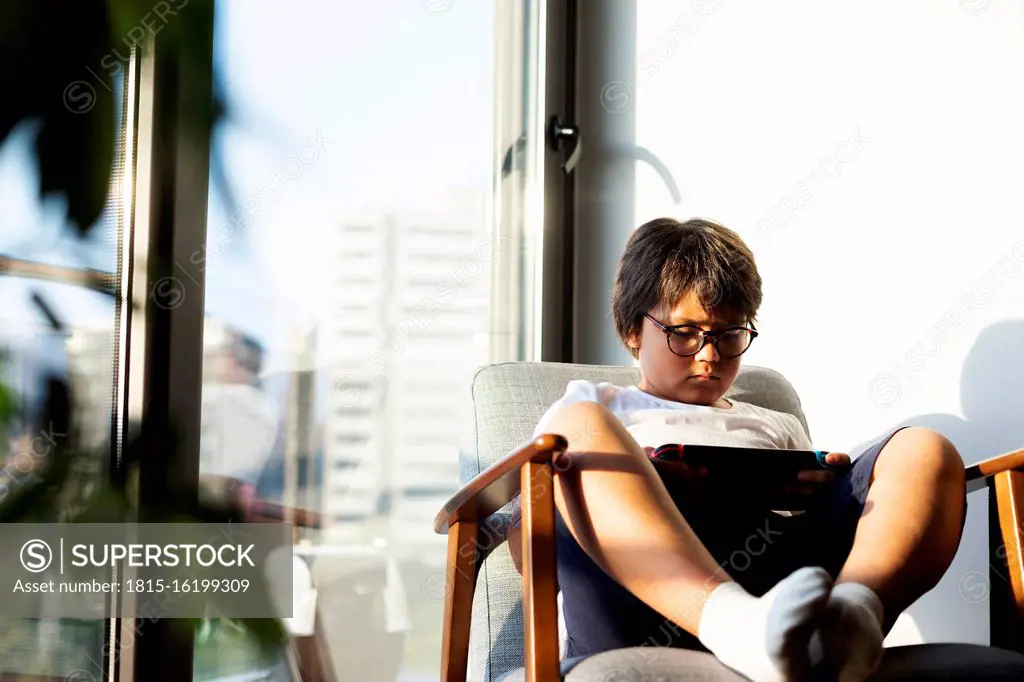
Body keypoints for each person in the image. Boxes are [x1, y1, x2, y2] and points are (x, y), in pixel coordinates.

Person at [507, 218, 966, 682]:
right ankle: (737, 626)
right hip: (638, 610)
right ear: (632, 330)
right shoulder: (592, 404)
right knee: (579, 430)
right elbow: (527, 546)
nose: (709, 355)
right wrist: (639, 485)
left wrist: (820, 493)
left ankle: (850, 620)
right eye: (684, 333)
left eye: (729, 335)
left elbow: (809, 542)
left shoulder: (775, 425)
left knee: (923, 449)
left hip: (773, 588)